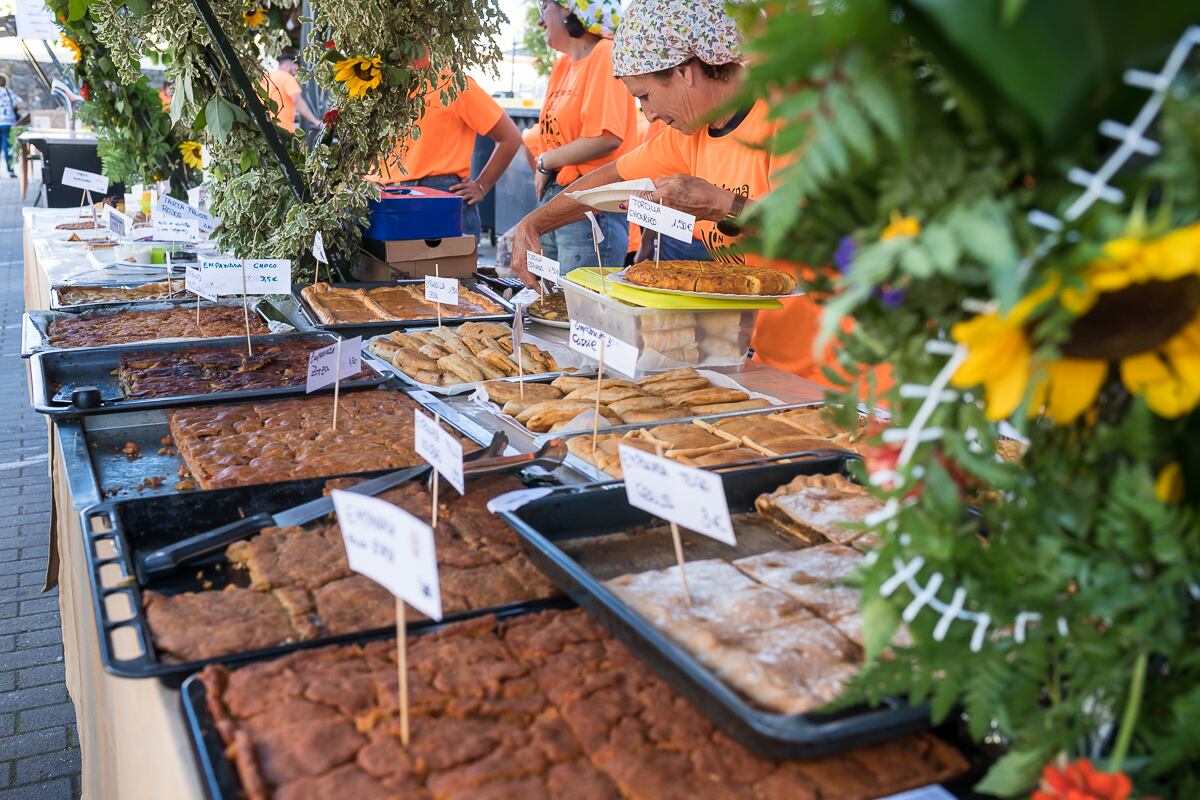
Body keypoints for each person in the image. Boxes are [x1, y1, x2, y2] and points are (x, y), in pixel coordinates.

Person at [511, 0, 826, 380]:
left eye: (645, 96)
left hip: (842, 377)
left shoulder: (791, 116)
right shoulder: (692, 134)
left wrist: (720, 203)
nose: (650, 116)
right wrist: (533, 224)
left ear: (684, 71)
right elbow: (609, 180)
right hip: (766, 364)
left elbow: (820, 236)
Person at [526, 0, 636, 269]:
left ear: (568, 9)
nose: (540, 21)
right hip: (559, 195)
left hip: (591, 201)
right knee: (551, 301)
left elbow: (607, 136)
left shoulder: (605, 52)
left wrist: (546, 161)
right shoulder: (562, 65)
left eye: (544, 7)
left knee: (576, 306)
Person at [372, 74, 522, 242]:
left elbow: (511, 137)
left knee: (442, 268)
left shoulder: (454, 83)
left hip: (437, 199)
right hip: (379, 198)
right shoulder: (378, 81)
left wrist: (481, 186)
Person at [262, 50, 319, 133]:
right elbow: (297, 101)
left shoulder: (265, 76)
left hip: (262, 126)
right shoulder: (287, 77)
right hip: (282, 129)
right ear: (287, 65)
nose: (295, 75)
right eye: (295, 69)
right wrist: (315, 121)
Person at [0, 76, 24, 178]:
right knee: (7, 147)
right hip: (8, 122)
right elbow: (20, 104)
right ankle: (10, 171)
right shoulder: (9, 92)